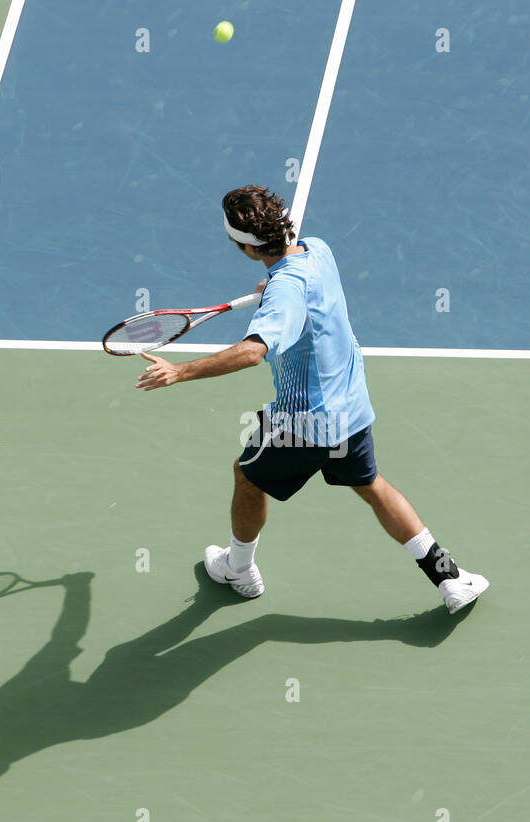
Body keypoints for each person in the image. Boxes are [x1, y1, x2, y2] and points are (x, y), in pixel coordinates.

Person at [135, 185, 488, 614]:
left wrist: (179, 371)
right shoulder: (317, 251)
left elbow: (252, 351)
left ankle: (238, 569)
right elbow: (300, 290)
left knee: (246, 475)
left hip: (307, 423)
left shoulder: (284, 291)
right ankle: (448, 577)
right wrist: (276, 286)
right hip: (352, 406)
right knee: (370, 485)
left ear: (246, 248)